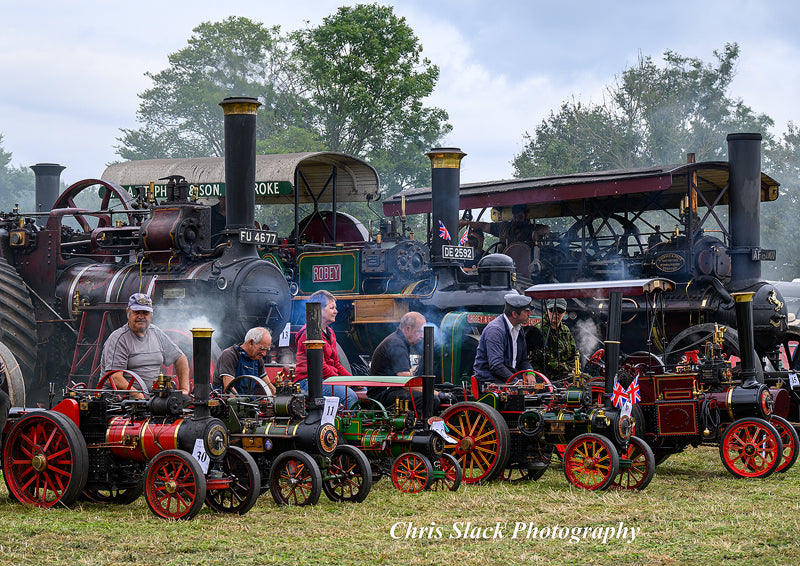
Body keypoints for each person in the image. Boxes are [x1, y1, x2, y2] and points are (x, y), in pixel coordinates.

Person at [101, 293, 189, 398]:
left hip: (153, 398)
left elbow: (180, 358)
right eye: (136, 312)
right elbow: (114, 377)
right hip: (121, 401)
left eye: (145, 313)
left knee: (187, 403)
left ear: (151, 314)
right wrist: (138, 395)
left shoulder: (156, 333)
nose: (141, 317)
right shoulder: (118, 339)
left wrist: (184, 389)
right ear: (128, 312)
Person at [294, 290, 358, 409]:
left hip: (326, 380)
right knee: (350, 397)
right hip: (307, 382)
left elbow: (336, 364)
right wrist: (343, 382)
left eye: (335, 308)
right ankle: (344, 426)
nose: (336, 311)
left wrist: (353, 381)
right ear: (320, 309)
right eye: (332, 308)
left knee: (363, 390)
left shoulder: (330, 332)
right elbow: (321, 367)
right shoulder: (307, 333)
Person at [368, 312, 439, 413]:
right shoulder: (396, 344)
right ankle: (419, 426)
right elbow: (405, 379)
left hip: (392, 390)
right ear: (407, 329)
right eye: (419, 332)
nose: (422, 336)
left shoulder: (399, 341)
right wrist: (435, 393)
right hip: (382, 394)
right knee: (431, 399)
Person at [473, 293, 535, 388]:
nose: (529, 314)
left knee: (550, 387)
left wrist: (530, 372)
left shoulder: (519, 329)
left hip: (510, 378)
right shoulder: (495, 331)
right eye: (526, 311)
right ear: (514, 314)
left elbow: (523, 360)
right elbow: (496, 366)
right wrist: (515, 382)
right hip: (490, 380)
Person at [527, 298, 579, 382]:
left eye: (560, 311)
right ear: (547, 310)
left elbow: (575, 353)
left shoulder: (565, 330)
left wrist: (576, 369)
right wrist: (569, 370)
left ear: (564, 313)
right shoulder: (539, 330)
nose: (555, 314)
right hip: (545, 376)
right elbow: (544, 358)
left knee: (588, 380)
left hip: (565, 373)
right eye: (552, 310)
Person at [213, 327, 277, 395]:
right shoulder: (230, 355)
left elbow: (270, 387)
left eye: (266, 350)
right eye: (262, 349)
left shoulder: (258, 359)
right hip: (225, 402)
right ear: (251, 342)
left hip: (247, 401)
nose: (264, 354)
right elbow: (229, 390)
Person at [460, 204, 550, 251]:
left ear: (526, 216)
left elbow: (546, 229)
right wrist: (466, 223)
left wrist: (538, 232)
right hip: (502, 265)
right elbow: (484, 226)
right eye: (515, 217)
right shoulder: (503, 226)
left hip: (526, 266)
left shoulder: (533, 228)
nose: (517, 220)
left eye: (520, 217)